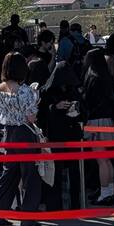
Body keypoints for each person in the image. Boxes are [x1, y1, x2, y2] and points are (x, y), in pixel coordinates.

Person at [0, 51, 44, 226]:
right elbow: (31, 117)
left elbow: (0, 111)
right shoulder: (26, 91)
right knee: (30, 175)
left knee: (9, 173)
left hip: (9, 133)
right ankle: (28, 217)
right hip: (25, 133)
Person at [41, 45, 83, 208]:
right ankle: (55, 204)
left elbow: (84, 110)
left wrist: (75, 108)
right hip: (56, 135)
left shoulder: (73, 90)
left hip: (71, 134)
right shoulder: (47, 91)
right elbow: (41, 113)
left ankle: (75, 204)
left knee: (73, 171)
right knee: (55, 171)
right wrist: (55, 107)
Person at [80, 47, 114, 201]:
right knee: (106, 158)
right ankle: (108, 191)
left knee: (101, 159)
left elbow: (87, 101)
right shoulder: (107, 77)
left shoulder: (93, 78)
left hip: (96, 121)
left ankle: (105, 193)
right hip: (108, 121)